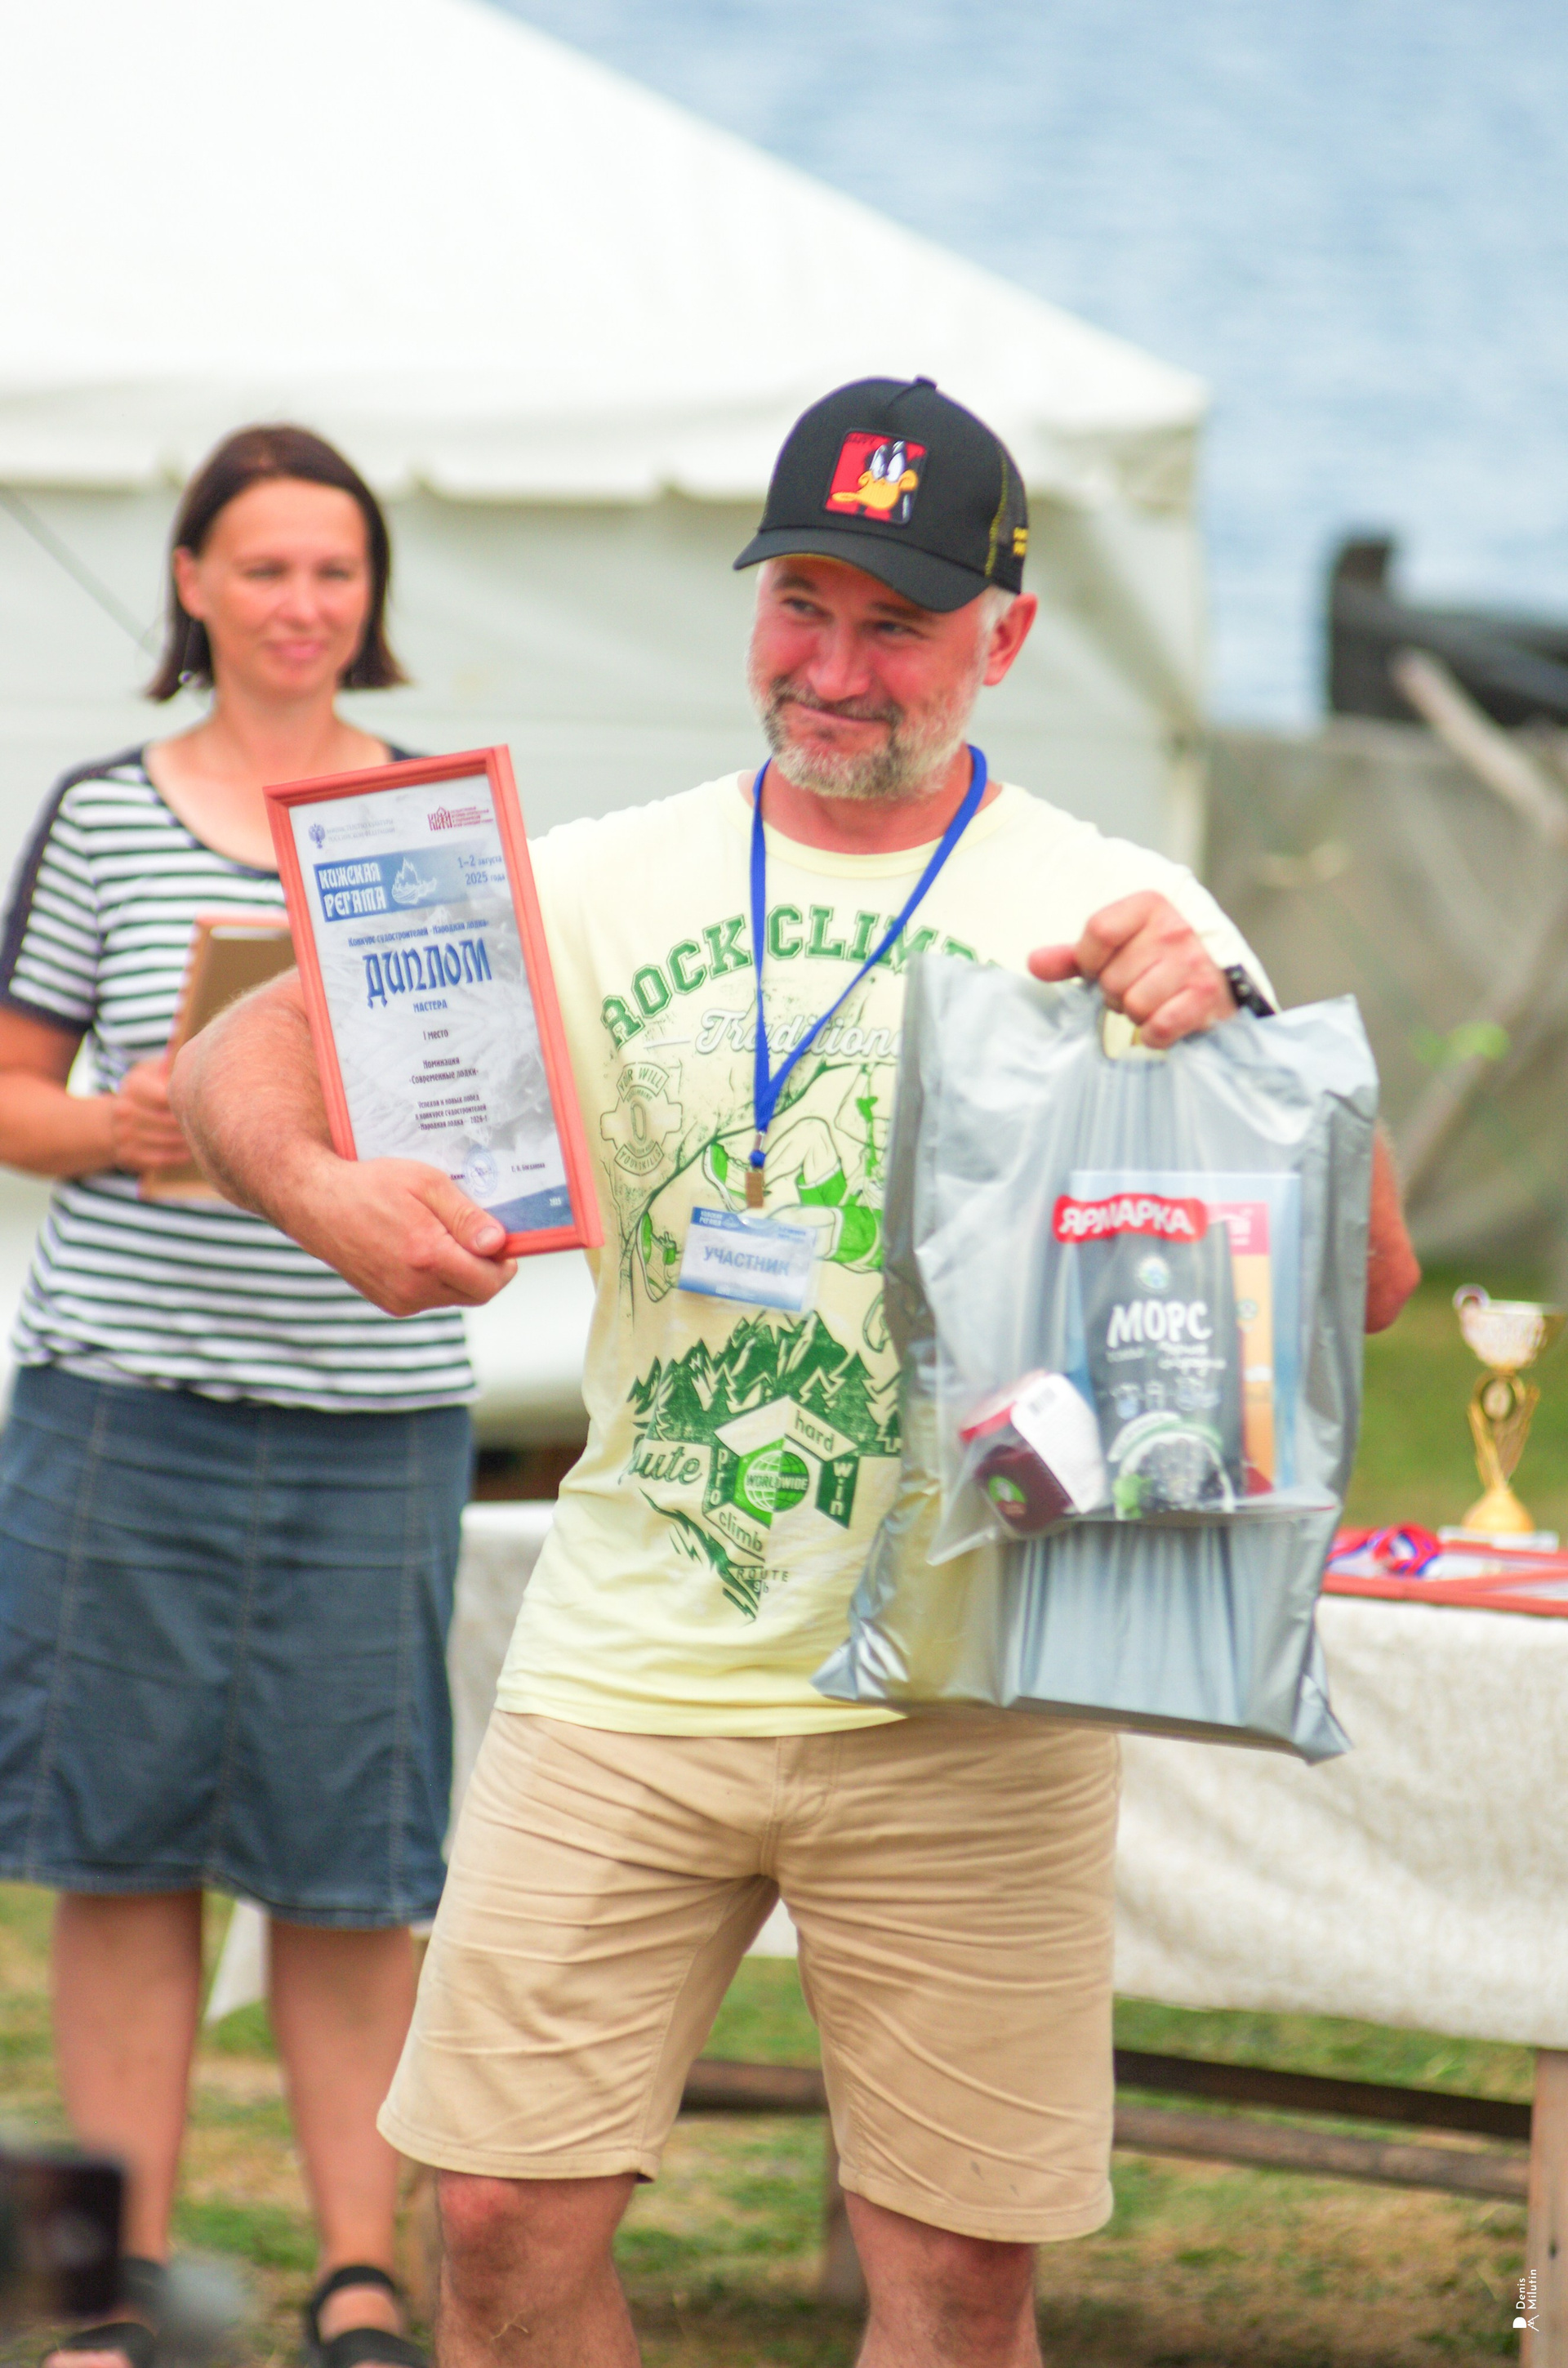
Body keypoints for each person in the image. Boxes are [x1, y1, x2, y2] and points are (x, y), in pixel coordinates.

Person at [173, 379, 1421, 2368]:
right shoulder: (606, 876)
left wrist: (1233, 1041)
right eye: (801, 605)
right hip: (628, 1662)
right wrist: (325, 1191)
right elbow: (243, 1053)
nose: (834, 670)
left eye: (896, 625)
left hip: (975, 1688)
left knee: (960, 2283)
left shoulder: (1120, 905)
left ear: (1008, 636)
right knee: (493, 2225)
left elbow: (1373, 1284)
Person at [0, 426, 470, 2368]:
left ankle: (362, 2279)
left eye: (335, 571)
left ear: (373, 600)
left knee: (353, 1870)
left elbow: (487, 1088)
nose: (302, 604)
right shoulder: (101, 814)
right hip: (126, 1410)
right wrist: (113, 1127)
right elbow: (8, 1089)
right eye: (265, 567)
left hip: (378, 1419)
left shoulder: (430, 824)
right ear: (191, 582)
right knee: (121, 1860)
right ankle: (110, 2290)